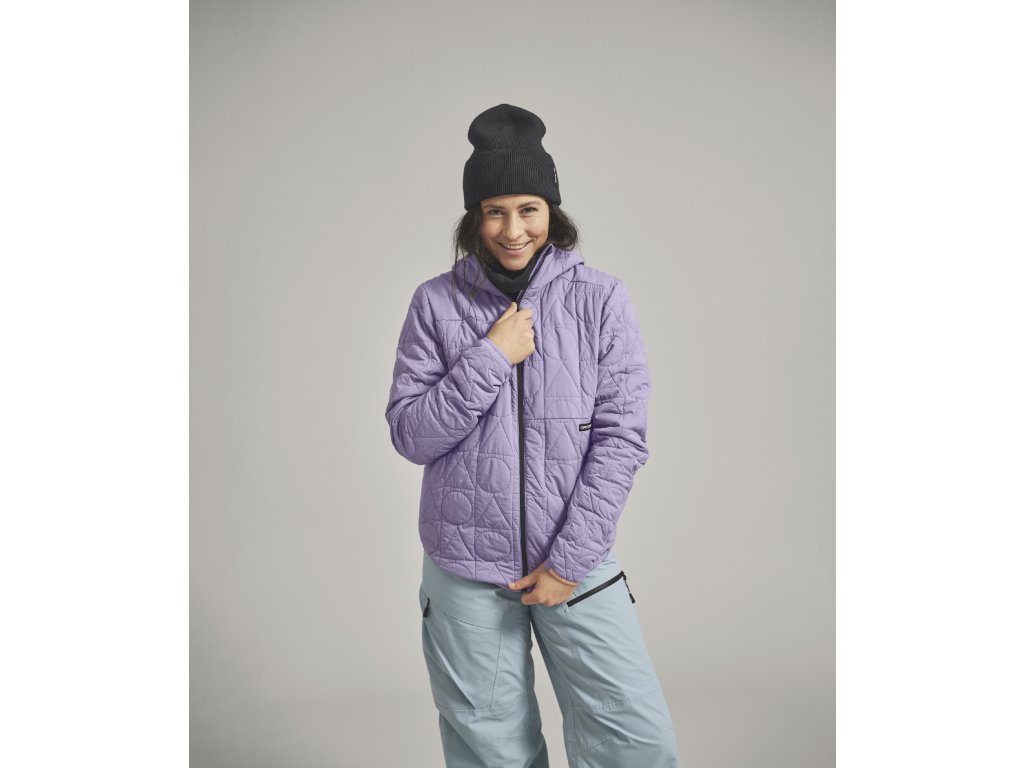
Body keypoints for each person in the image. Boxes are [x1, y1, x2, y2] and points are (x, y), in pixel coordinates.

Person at [385, 103, 679, 767]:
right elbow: (411, 435)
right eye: (494, 211)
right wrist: (491, 356)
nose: (512, 229)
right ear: (474, 217)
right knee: (492, 753)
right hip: (464, 567)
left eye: (528, 209)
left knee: (636, 745)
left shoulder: (601, 299)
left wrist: (569, 562)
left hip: (575, 557)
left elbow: (621, 440)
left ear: (552, 211)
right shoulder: (435, 303)